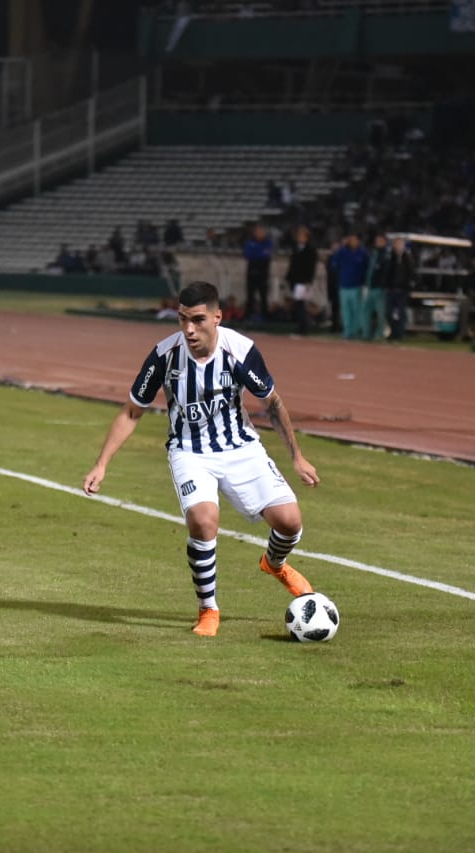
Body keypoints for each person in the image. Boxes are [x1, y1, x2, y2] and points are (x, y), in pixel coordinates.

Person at [82, 281, 320, 638]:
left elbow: (272, 403)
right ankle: (208, 609)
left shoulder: (240, 350)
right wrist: (102, 464)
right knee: (204, 521)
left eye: (197, 320)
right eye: (182, 319)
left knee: (289, 522)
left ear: (217, 318)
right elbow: (132, 412)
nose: (189, 329)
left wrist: (297, 458)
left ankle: (274, 564)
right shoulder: (164, 356)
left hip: (240, 447)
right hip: (190, 452)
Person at [327, 233, 370, 340]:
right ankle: (347, 332)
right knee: (346, 311)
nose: (352, 242)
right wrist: (342, 247)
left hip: (356, 286)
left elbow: (367, 268)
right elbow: (334, 263)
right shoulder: (343, 251)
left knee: (357, 310)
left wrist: (364, 281)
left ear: (359, 241)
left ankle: (357, 331)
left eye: (354, 240)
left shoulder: (363, 252)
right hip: (343, 285)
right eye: (350, 240)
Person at [382, 235, 416, 341]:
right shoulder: (390, 256)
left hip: (402, 289)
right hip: (391, 288)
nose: (398, 246)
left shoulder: (408, 257)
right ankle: (392, 333)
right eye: (396, 244)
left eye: (399, 244)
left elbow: (411, 273)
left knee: (401, 313)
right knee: (388, 312)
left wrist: (409, 286)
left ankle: (400, 334)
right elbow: (386, 271)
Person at [286, 226, 318, 335]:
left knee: (301, 304)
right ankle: (301, 326)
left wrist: (309, 280)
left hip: (304, 281)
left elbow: (311, 266)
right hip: (295, 280)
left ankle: (304, 327)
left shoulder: (311, 249)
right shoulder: (296, 248)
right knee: (298, 304)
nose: (299, 237)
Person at [358, 232, 389, 341]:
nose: (378, 243)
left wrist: (383, 285)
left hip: (380, 288)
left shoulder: (386, 255)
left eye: (380, 241)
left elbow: (386, 272)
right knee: (365, 310)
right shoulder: (374, 254)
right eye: (377, 241)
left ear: (385, 242)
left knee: (381, 313)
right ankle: (366, 334)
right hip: (370, 287)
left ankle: (380, 334)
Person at [242, 223, 272, 324]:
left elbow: (266, 255)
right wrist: (258, 254)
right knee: (250, 295)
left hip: (263, 272)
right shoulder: (250, 242)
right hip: (252, 272)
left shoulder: (267, 242)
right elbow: (247, 254)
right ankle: (248, 315)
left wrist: (256, 254)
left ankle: (265, 316)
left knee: (263, 295)